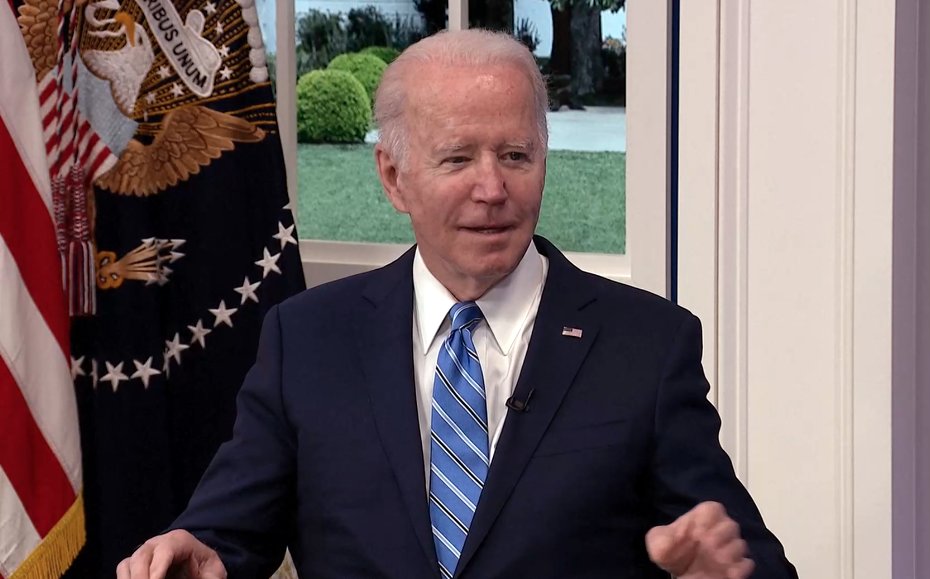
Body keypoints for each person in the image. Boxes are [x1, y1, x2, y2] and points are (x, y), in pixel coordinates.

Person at [117, 30, 796, 579]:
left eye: (516, 155)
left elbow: (754, 561)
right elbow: (225, 537)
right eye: (457, 159)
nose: (492, 189)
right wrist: (197, 550)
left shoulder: (646, 346)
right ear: (394, 178)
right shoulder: (308, 339)